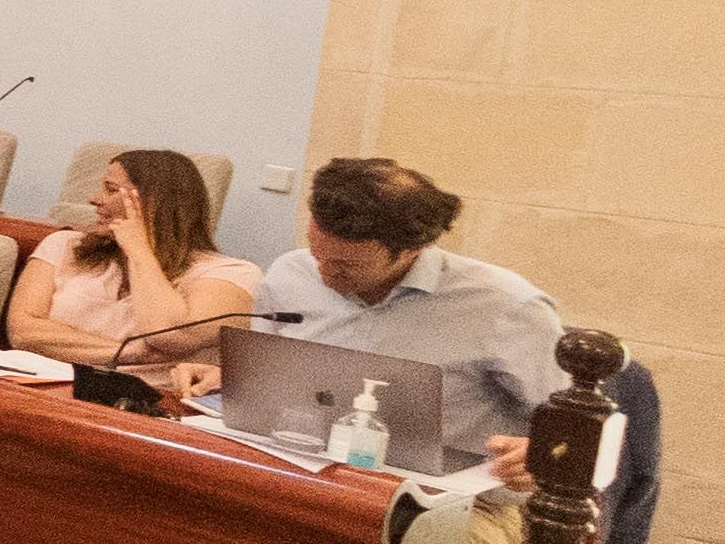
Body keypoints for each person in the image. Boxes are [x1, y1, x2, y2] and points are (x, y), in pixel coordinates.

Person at [241, 159, 562, 477]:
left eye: (347, 267)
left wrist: (537, 454)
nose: (325, 275)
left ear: (414, 249)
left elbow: (573, 433)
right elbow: (266, 378)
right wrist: (227, 379)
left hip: (447, 498)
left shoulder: (508, 308)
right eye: (317, 254)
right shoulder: (291, 272)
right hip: (297, 467)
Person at [7, 149, 261, 366]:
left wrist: (139, 251)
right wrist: (127, 352)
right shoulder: (64, 245)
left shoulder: (231, 272)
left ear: (154, 204)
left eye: (110, 189)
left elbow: (168, 336)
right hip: (43, 386)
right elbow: (23, 331)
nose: (94, 199)